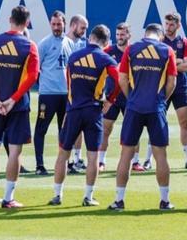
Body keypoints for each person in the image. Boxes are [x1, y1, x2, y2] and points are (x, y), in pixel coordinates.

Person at [49, 25, 121, 207]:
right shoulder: (106, 59)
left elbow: (69, 82)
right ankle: (88, 197)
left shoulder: (73, 57)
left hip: (73, 110)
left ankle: (57, 195)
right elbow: (120, 80)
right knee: (93, 156)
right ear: (106, 42)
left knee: (63, 153)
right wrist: (110, 100)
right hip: (93, 111)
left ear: (90, 38)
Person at [108, 24, 178, 211]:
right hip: (156, 107)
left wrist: (131, 98)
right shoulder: (167, 50)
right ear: (160, 35)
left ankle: (119, 200)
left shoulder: (131, 49)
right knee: (160, 155)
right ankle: (164, 201)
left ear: (145, 34)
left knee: (126, 154)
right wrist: (161, 100)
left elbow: (122, 78)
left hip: (134, 107)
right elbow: (172, 82)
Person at [0, 6, 40, 208]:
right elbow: (32, 76)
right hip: (18, 106)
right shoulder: (29, 46)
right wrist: (13, 99)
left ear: (9, 19)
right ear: (27, 23)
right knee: (15, 152)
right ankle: (8, 198)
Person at [100, 22, 145, 172]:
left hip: (131, 96)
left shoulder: (135, 51)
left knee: (134, 130)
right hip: (111, 97)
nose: (119, 37)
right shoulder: (107, 51)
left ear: (129, 35)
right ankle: (101, 161)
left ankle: (135, 162)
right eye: (118, 34)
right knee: (105, 129)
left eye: (122, 34)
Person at [33, 11, 71, 176]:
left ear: (64, 24)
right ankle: (39, 164)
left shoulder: (71, 43)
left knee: (65, 130)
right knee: (41, 128)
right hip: (48, 95)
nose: (56, 27)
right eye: (54, 24)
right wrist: (43, 85)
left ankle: (64, 163)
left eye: (59, 24)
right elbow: (36, 69)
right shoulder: (44, 44)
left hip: (65, 94)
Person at [159, 12, 187, 170]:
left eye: (171, 24)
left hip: (180, 86)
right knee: (157, 122)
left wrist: (170, 65)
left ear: (178, 25)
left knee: (184, 122)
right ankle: (148, 160)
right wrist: (178, 62)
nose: (168, 27)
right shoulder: (160, 41)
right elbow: (158, 66)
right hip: (162, 85)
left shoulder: (185, 43)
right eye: (166, 24)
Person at [65, 14, 88, 170]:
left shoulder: (84, 44)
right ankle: (66, 160)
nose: (84, 31)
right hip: (62, 91)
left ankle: (77, 158)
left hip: (79, 91)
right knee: (65, 125)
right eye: (82, 28)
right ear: (73, 25)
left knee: (79, 126)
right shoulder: (63, 43)